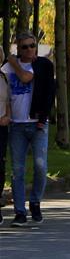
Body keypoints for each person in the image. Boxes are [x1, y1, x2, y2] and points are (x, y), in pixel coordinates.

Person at [2, 31, 55, 227]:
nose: (30, 50)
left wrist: (12, 60)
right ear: (18, 48)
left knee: (41, 166)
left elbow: (28, 79)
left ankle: (35, 202)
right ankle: (20, 212)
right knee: (17, 169)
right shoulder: (7, 68)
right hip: (17, 124)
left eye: (32, 45)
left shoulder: (42, 65)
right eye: (24, 47)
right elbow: (4, 91)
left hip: (37, 123)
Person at [0, 46, 9, 224]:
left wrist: (7, 116)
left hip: (1, 126)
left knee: (0, 165)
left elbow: (9, 100)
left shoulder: (3, 77)